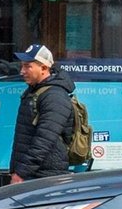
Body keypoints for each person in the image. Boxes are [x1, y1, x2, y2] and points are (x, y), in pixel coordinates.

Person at [7, 45, 76, 184]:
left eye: (28, 66)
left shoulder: (54, 95)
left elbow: (44, 139)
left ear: (44, 68)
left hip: (45, 175)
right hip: (34, 173)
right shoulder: (35, 91)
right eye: (22, 66)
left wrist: (22, 173)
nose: (22, 71)